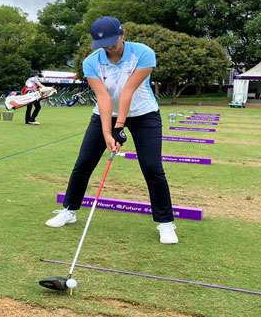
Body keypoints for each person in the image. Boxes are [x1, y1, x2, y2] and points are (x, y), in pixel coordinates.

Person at [44, 16, 178, 245]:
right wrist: (108, 132)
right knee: (84, 162)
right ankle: (69, 210)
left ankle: (166, 224)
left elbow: (127, 91)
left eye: (111, 42)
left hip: (144, 114)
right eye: (102, 44)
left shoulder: (143, 53)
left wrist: (118, 127)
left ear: (122, 34)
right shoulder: (91, 62)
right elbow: (104, 97)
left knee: (152, 167)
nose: (108, 48)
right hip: (103, 114)